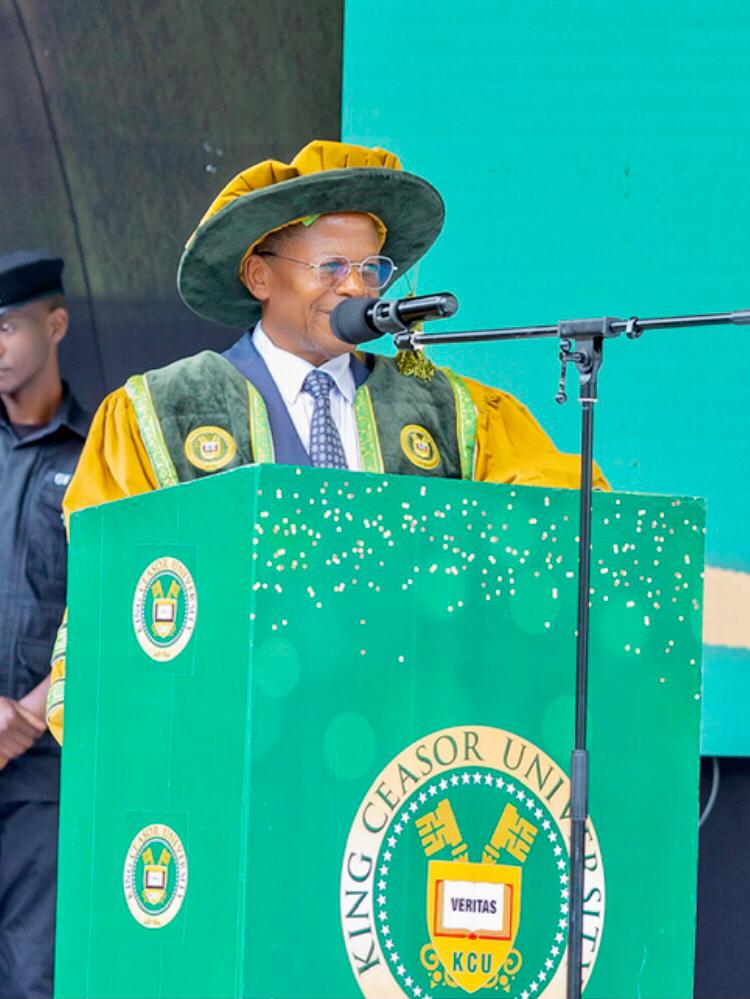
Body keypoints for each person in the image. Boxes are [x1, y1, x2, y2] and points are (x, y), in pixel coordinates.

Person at [46, 140, 605, 744]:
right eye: (331, 267)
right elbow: (119, 588)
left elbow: (556, 519)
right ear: (260, 275)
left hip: (408, 743)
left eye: (372, 270)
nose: (356, 289)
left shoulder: (452, 414)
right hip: (234, 739)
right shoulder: (159, 413)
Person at [0, 250, 89, 997]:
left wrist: (26, 716)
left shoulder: (99, 459)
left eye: (7, 326)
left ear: (55, 324)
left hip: (44, 771)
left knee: (33, 974)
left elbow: (113, 608)